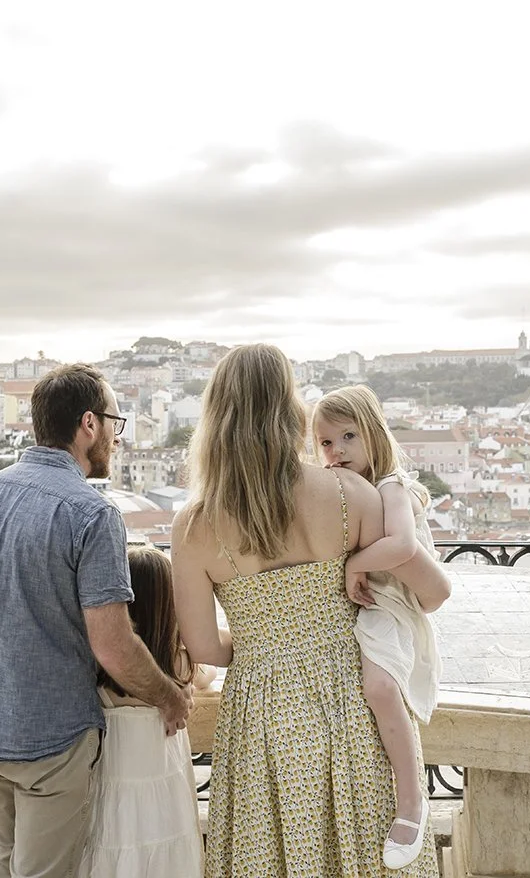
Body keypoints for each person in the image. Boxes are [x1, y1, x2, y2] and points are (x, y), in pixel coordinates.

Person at [172, 343, 438, 877]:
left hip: (259, 716)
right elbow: (429, 594)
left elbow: (204, 648)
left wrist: (266, 644)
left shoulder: (193, 526)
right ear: (290, 411)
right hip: (351, 701)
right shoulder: (351, 494)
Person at [0, 362, 194, 878]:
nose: (115, 436)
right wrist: (169, 696)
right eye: (114, 422)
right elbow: (113, 645)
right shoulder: (91, 513)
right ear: (89, 424)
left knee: (6, 862)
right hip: (49, 739)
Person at [312, 385, 453, 870]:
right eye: (327, 442)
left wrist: (355, 564)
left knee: (379, 687)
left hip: (394, 604)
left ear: (373, 433)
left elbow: (402, 548)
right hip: (381, 603)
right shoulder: (344, 487)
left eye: (348, 436)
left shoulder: (391, 485)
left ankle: (411, 800)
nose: (337, 450)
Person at [79, 545, 215, 878]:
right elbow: (208, 675)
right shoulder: (179, 663)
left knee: (110, 842)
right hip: (164, 793)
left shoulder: (100, 670)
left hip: (113, 789)